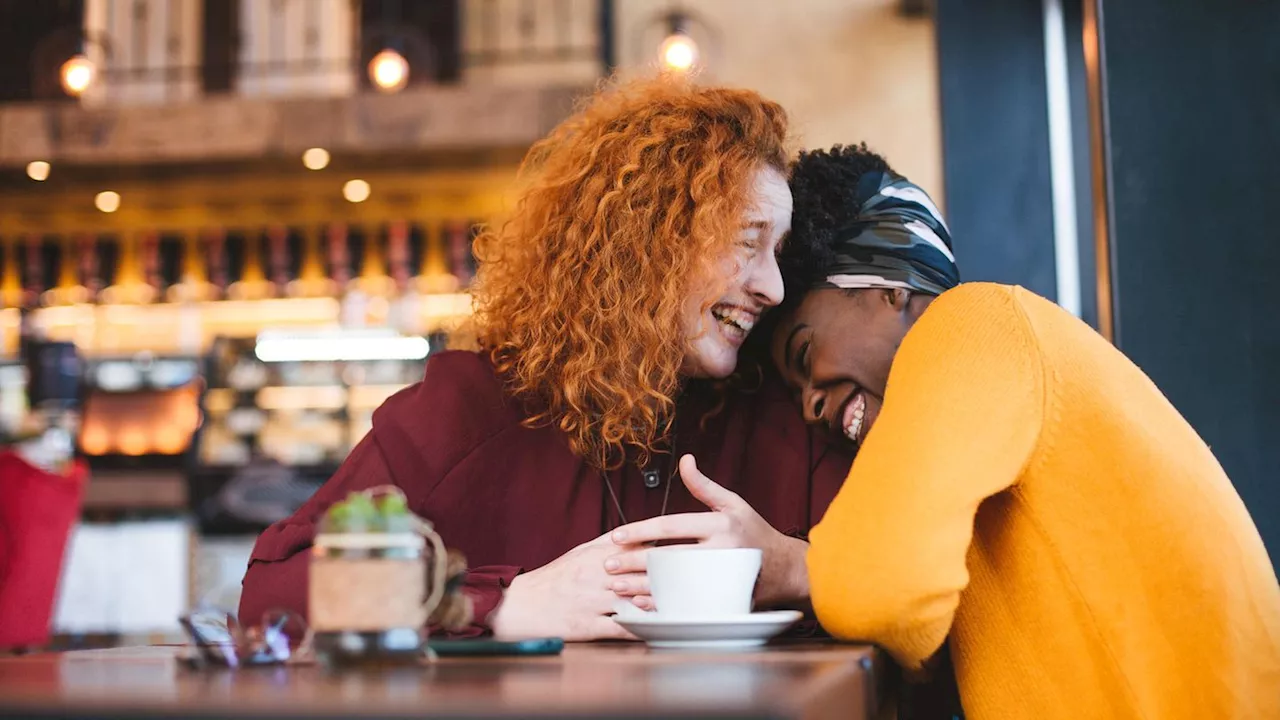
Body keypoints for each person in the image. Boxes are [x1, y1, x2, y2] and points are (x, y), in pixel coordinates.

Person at [238, 78, 855, 642]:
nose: (772, 288)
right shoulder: (468, 410)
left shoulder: (782, 412)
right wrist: (501, 605)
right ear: (648, 243)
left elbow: (919, 583)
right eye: (748, 243)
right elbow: (276, 592)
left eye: (778, 251)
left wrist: (791, 566)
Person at [770, 144, 1280, 719]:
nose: (810, 405)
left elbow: (878, 594)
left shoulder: (972, 324)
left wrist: (790, 567)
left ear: (889, 287)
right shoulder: (976, 388)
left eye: (804, 350)